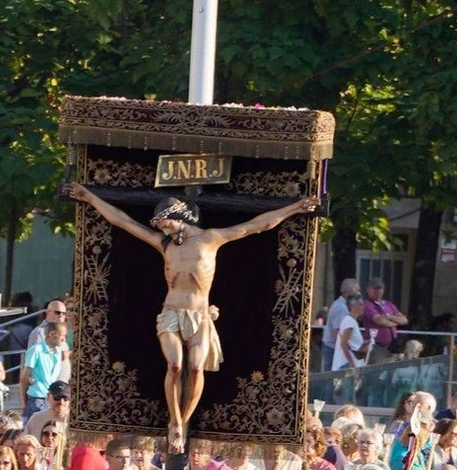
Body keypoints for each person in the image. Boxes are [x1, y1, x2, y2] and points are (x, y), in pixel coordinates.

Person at [67, 183, 317, 447]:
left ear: (179, 216)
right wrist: (90, 197)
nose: (162, 229)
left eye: (165, 223)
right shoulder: (164, 244)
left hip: (199, 316)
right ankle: (174, 421)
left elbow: (257, 225)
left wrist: (294, 208)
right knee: (174, 365)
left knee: (196, 368)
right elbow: (124, 221)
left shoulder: (210, 239)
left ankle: (183, 422)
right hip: (172, 312)